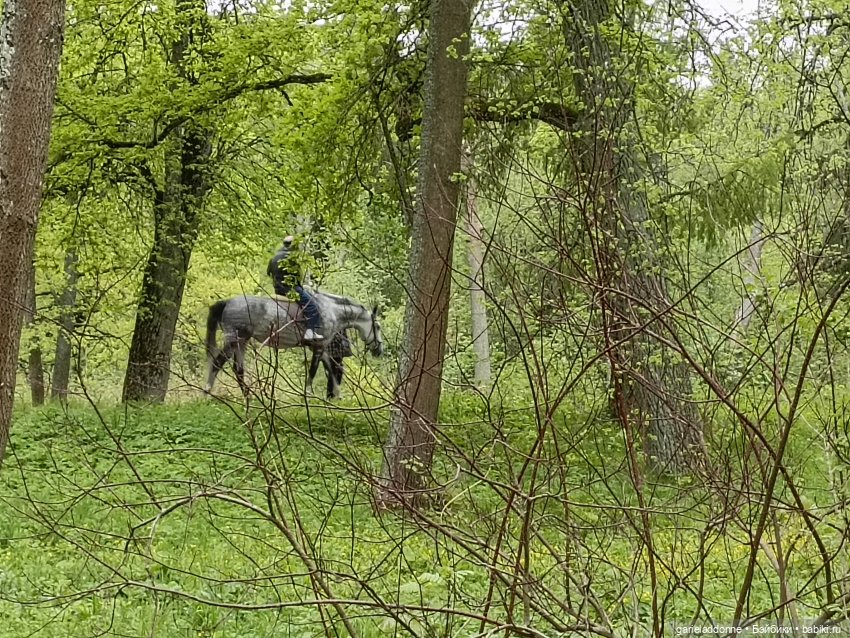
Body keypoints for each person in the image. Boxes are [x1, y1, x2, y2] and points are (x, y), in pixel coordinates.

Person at [267, 235, 324, 341]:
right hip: (291, 290)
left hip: (278, 289)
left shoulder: (273, 258)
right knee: (311, 304)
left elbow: (268, 273)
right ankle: (310, 332)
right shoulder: (292, 258)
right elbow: (297, 277)